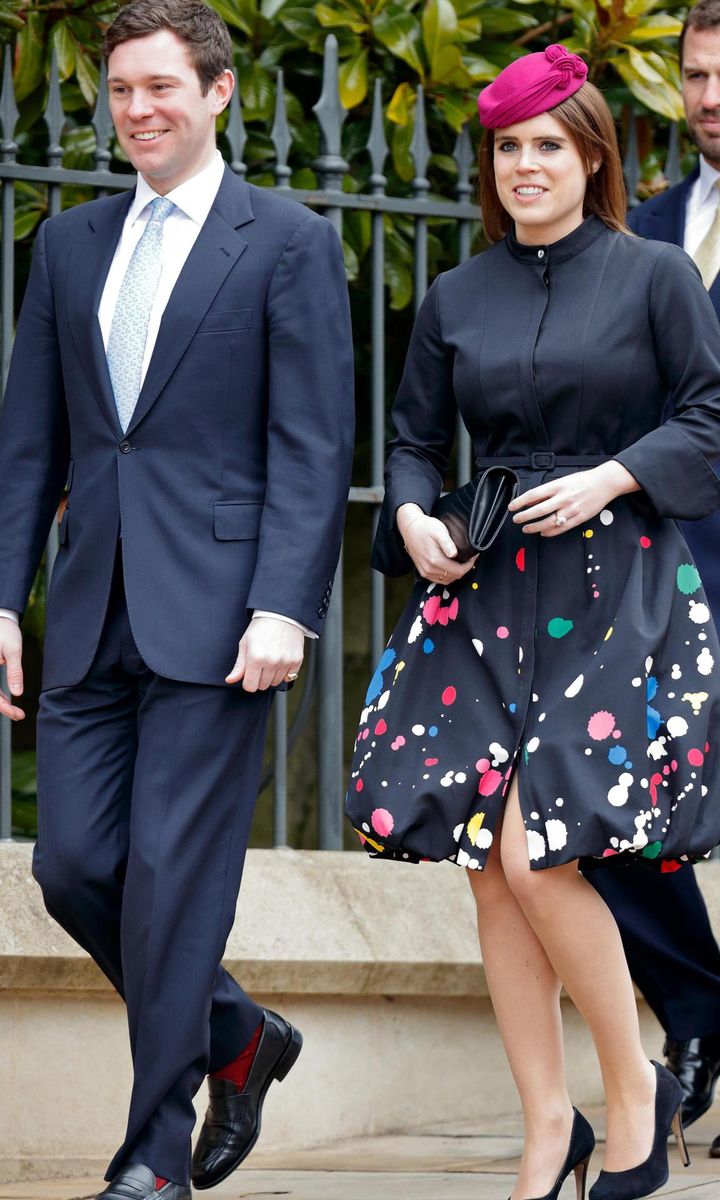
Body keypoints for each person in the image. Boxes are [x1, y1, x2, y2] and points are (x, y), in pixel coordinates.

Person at [346, 43, 720, 1200]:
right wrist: (412, 513)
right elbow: (411, 438)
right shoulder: (458, 296)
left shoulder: (657, 275)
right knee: (489, 867)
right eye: (507, 147)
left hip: (621, 588)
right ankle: (545, 1126)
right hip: (487, 591)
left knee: (540, 847)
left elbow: (710, 414)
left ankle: (633, 1096)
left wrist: (615, 477)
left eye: (547, 144)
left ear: (592, 154)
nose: (525, 165)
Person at [0, 2, 354, 1197]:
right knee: (72, 867)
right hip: (92, 606)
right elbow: (27, 449)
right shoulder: (68, 244)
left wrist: (285, 606)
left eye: (161, 86)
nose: (138, 109)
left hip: (222, 620)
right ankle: (238, 1037)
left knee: (168, 878)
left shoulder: (287, 242)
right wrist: (4, 602)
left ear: (217, 94)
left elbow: (311, 445)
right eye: (120, 90)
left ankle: (152, 1156)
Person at [586, 0, 720, 1158]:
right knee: (607, 815)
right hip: (651, 580)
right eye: (697, 72)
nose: (711, 94)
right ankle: (700, 1008)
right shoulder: (651, 223)